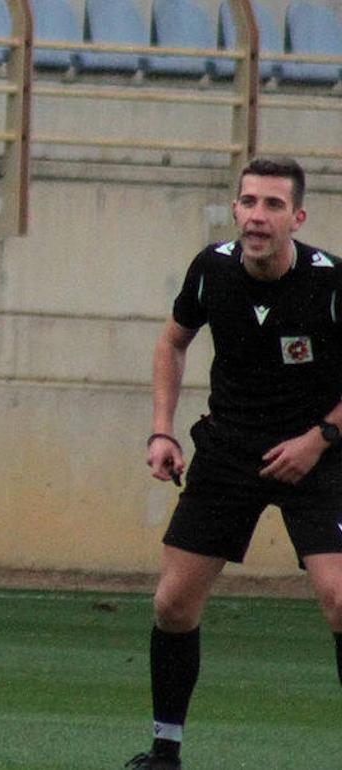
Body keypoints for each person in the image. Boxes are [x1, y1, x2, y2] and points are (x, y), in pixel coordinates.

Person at [129, 157, 342, 770]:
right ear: (235, 209)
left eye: (273, 205)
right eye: (249, 201)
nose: (257, 216)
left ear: (296, 218)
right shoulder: (211, 270)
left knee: (339, 599)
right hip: (229, 448)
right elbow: (172, 341)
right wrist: (162, 432)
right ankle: (165, 749)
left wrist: (319, 438)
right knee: (173, 605)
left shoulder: (328, 283)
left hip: (318, 455)